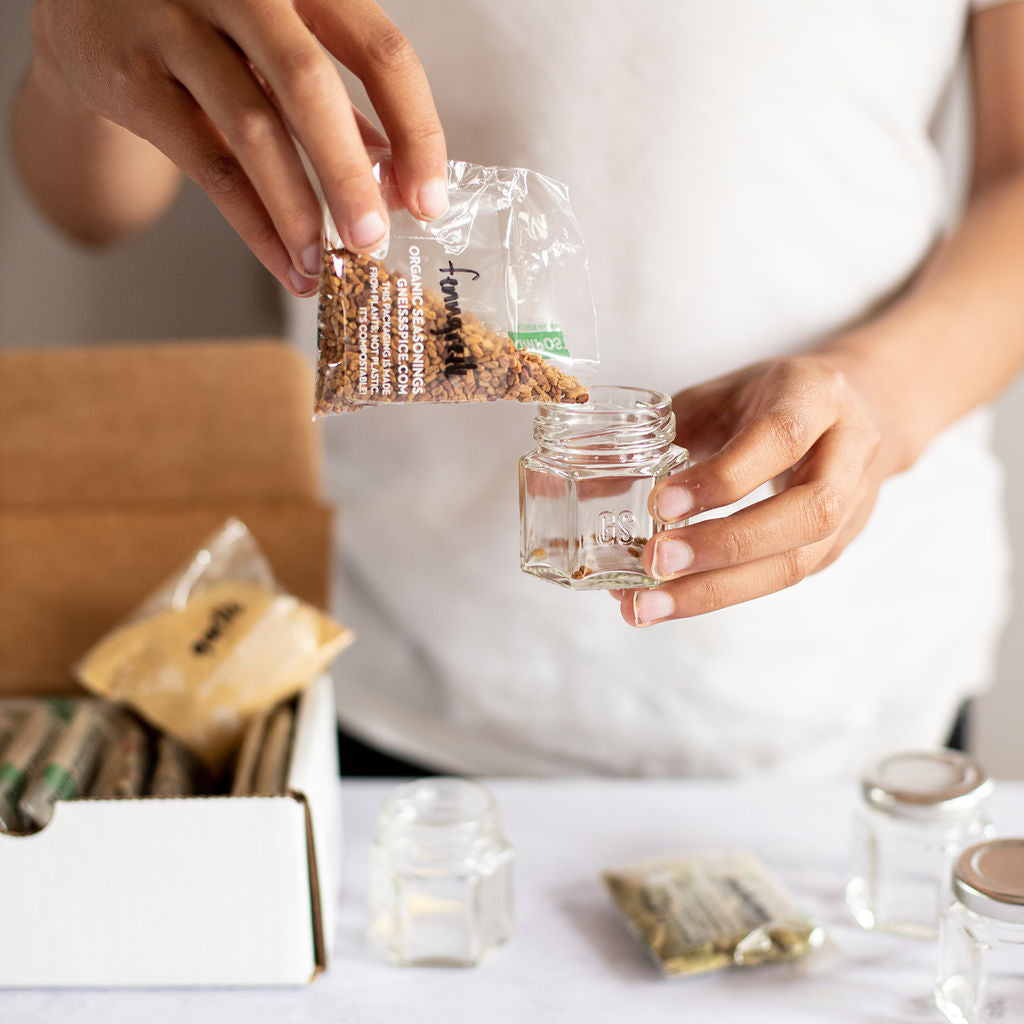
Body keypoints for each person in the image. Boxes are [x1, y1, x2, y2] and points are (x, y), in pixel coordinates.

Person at [11, 0, 1024, 778]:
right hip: (397, 664)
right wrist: (67, 39)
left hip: (853, 674)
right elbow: (95, 209)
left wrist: (883, 396)